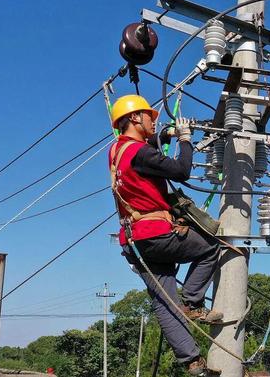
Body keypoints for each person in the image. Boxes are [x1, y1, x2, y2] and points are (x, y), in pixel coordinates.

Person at [108, 94, 223, 376]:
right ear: (134, 118)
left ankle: (193, 362)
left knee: (164, 301)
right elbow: (181, 171)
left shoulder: (117, 151)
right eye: (149, 117)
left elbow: (147, 148)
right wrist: (184, 140)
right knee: (211, 247)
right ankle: (193, 302)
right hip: (156, 234)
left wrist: (165, 134)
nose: (152, 121)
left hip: (135, 241)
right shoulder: (142, 154)